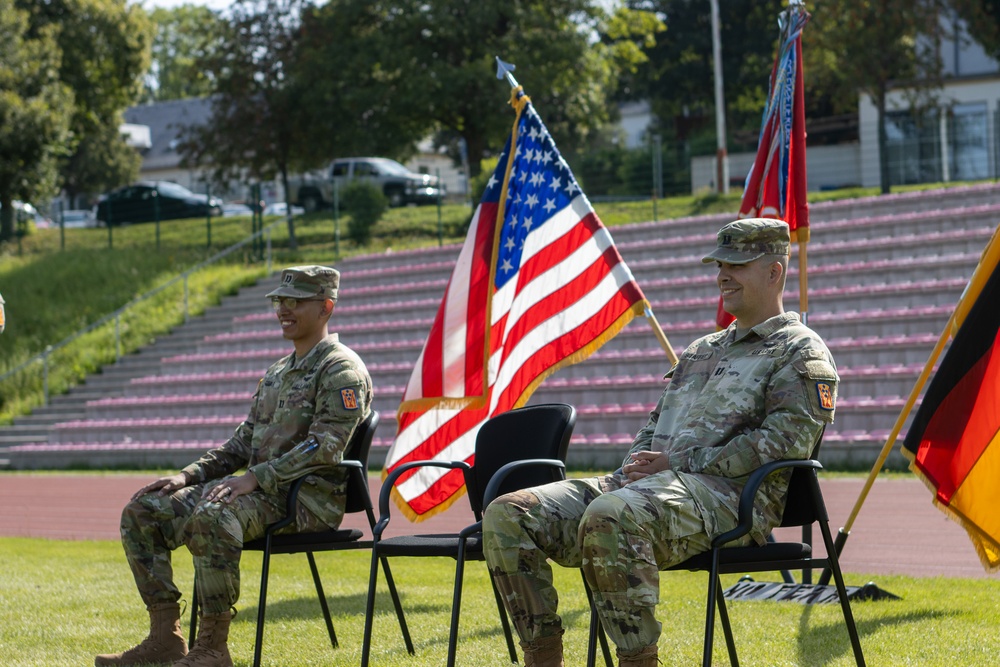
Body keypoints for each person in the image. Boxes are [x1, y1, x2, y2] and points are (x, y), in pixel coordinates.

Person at [483, 219, 839, 667]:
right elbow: (653, 428)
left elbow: (783, 446)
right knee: (508, 514)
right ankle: (542, 655)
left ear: (775, 272)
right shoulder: (701, 350)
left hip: (730, 502)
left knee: (611, 516)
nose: (723, 275)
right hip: (650, 488)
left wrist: (678, 461)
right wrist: (636, 465)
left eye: (737, 265)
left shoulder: (800, 352)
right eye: (720, 265)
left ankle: (638, 661)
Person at [96, 265, 373, 667]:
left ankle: (212, 648)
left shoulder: (341, 369)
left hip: (306, 501)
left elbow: (324, 447)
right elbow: (242, 442)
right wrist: (186, 476)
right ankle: (165, 638)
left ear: (326, 308)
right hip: (260, 494)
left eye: (296, 302)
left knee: (214, 513)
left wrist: (254, 479)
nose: (284, 309)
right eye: (280, 300)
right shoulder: (277, 372)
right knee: (144, 510)